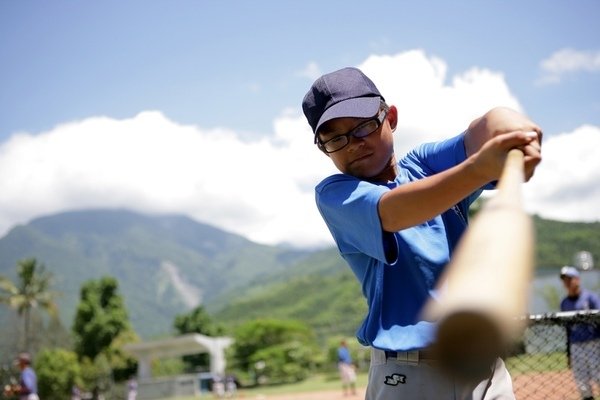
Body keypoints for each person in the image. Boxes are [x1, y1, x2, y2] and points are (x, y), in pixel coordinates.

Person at [302, 67, 542, 400]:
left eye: (363, 126)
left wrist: (511, 128)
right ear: (323, 148)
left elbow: (482, 129)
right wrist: (479, 169)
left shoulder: (425, 164)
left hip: (484, 367)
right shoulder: (336, 194)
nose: (353, 144)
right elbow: (396, 211)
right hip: (408, 376)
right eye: (335, 138)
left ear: (391, 118)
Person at [559, 265, 600, 400]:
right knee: (582, 382)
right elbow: (567, 329)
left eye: (570, 278)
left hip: (594, 343)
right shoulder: (564, 303)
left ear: (577, 279)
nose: (567, 282)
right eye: (564, 280)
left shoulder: (591, 298)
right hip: (576, 345)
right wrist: (569, 352)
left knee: (598, 377)